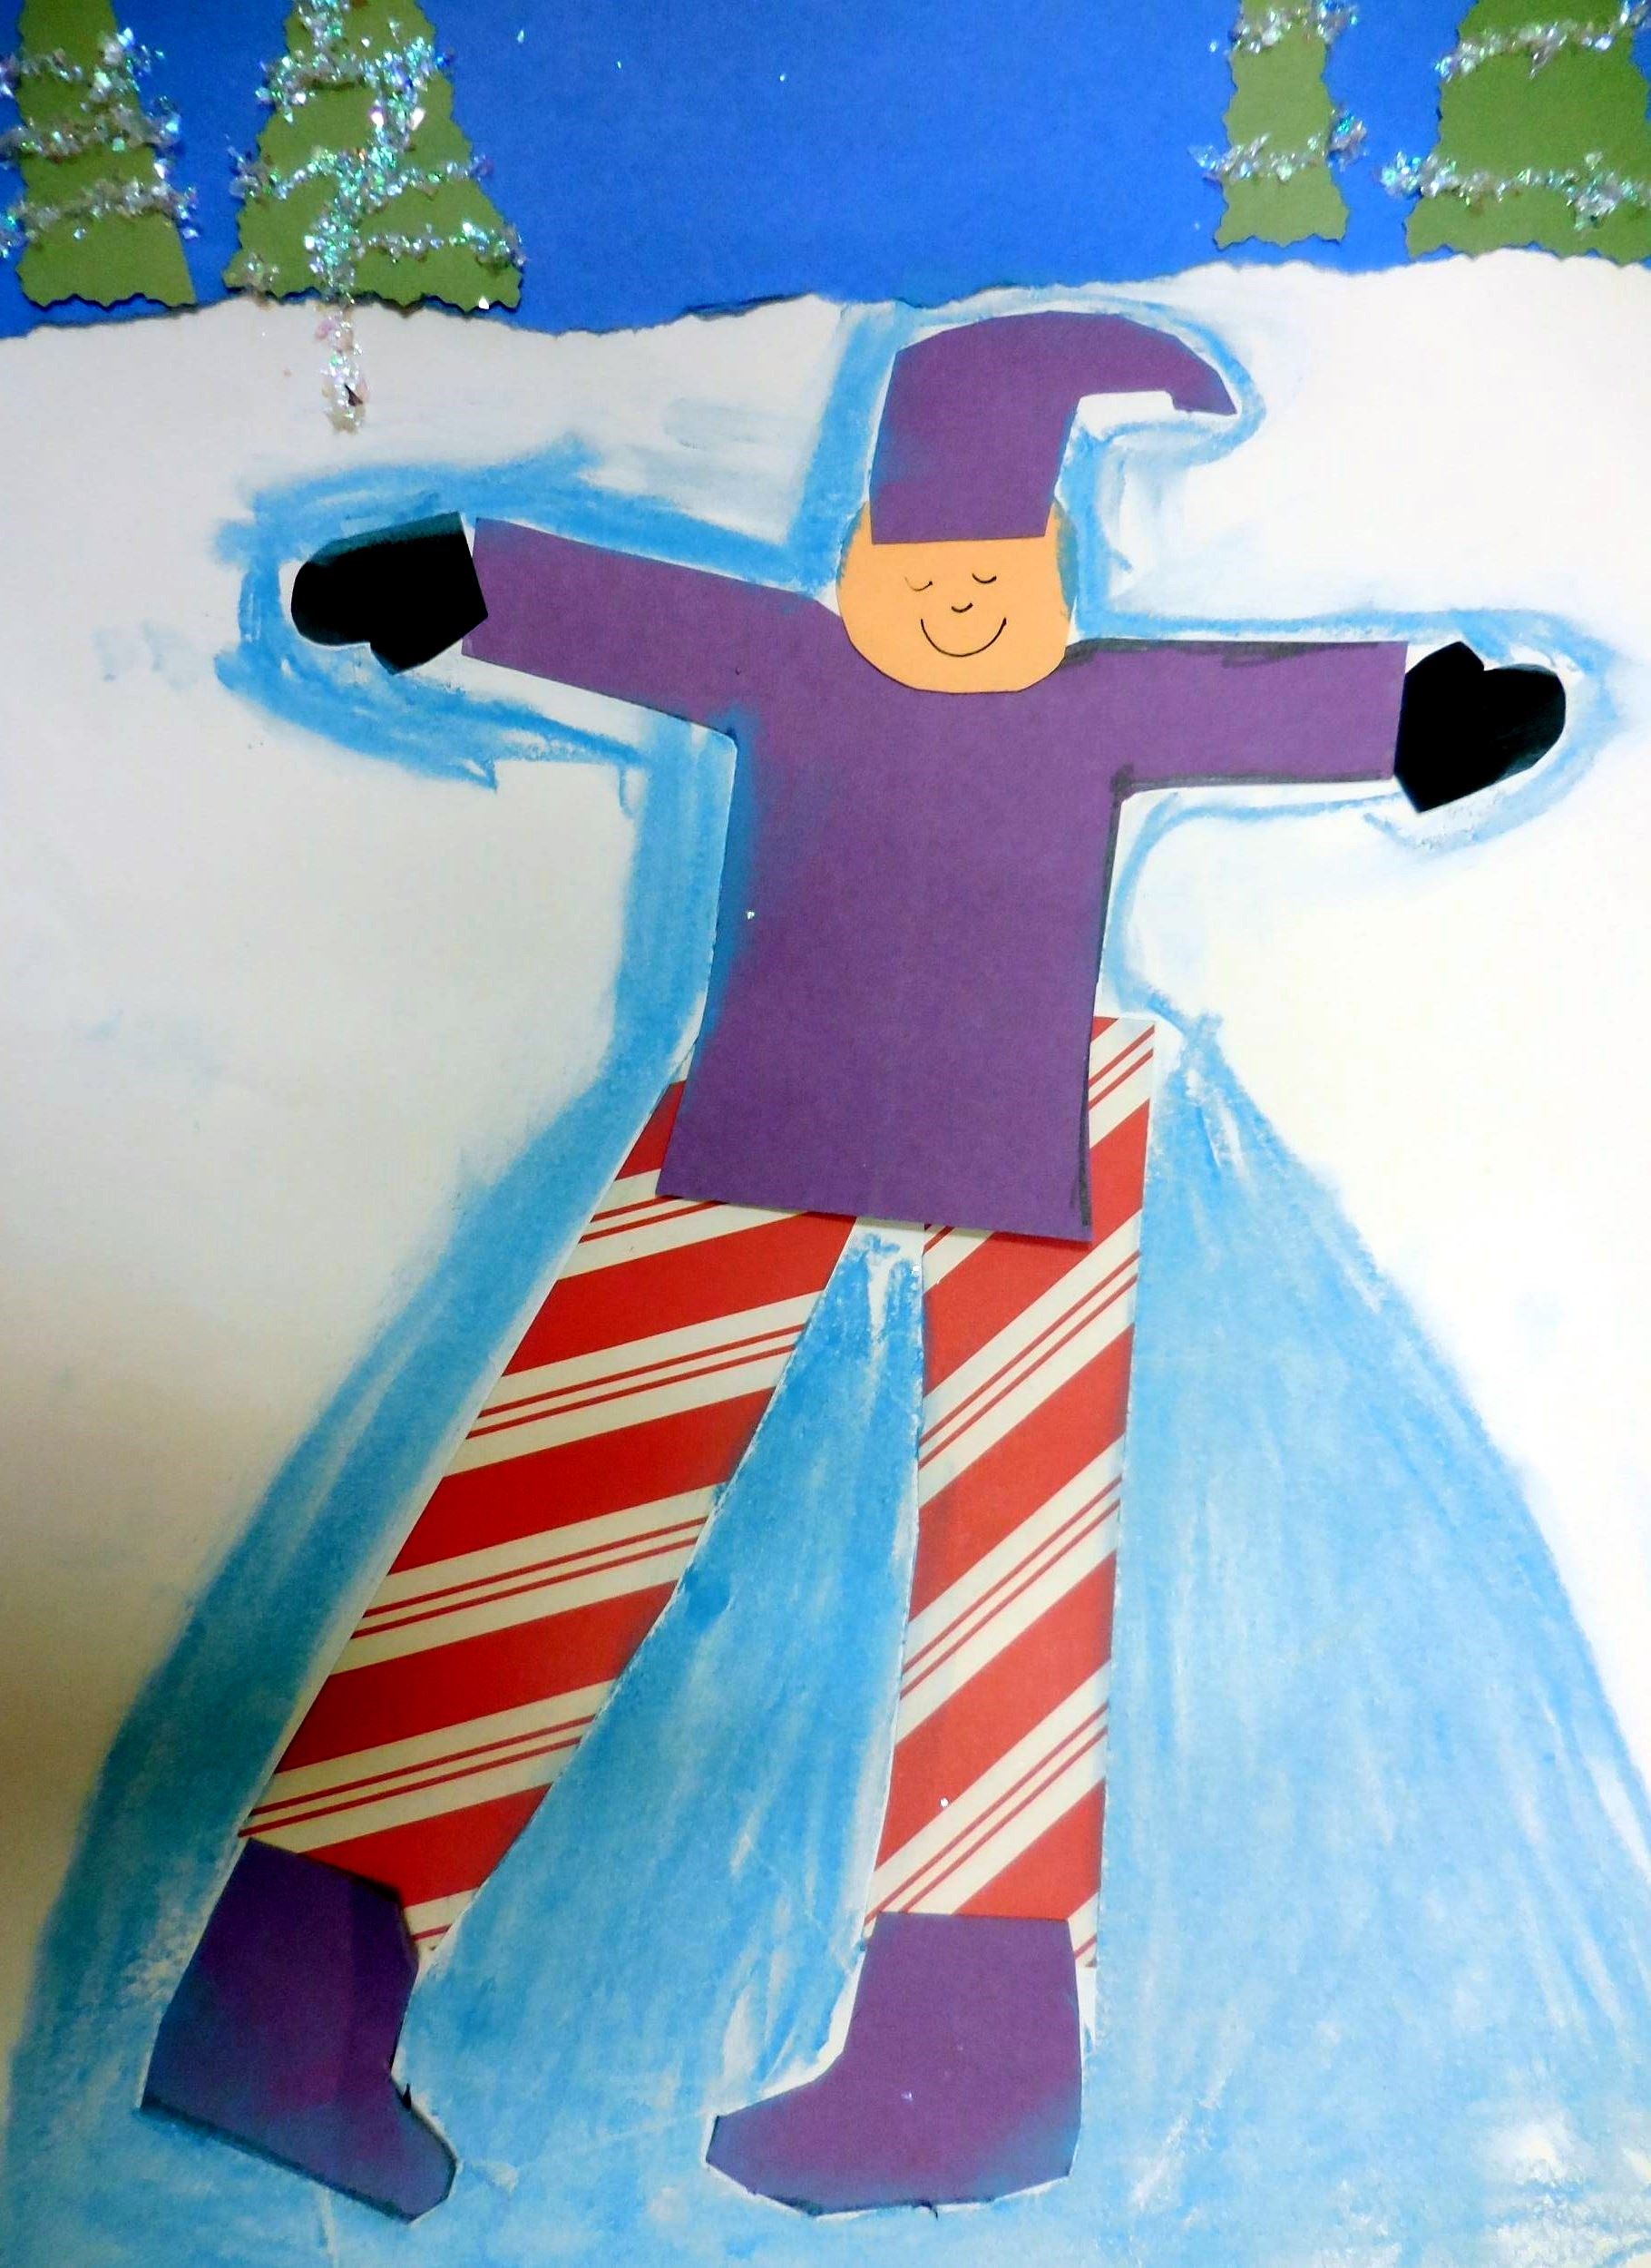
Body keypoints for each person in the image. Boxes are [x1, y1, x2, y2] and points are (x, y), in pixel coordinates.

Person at [142, 309, 1564, 2220]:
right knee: (550, 1514)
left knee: (1017, 1575)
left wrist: (1422, 714)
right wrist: (450, 584)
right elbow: (618, 612)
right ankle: (280, 2014)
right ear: (860, 557)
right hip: (768, 1114)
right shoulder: (788, 658)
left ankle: (960, 2064)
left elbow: (1256, 697)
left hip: (1025, 1138)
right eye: (922, 567)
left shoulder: (1092, 699)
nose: (961, 604)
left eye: (1001, 573)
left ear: (1052, 572)